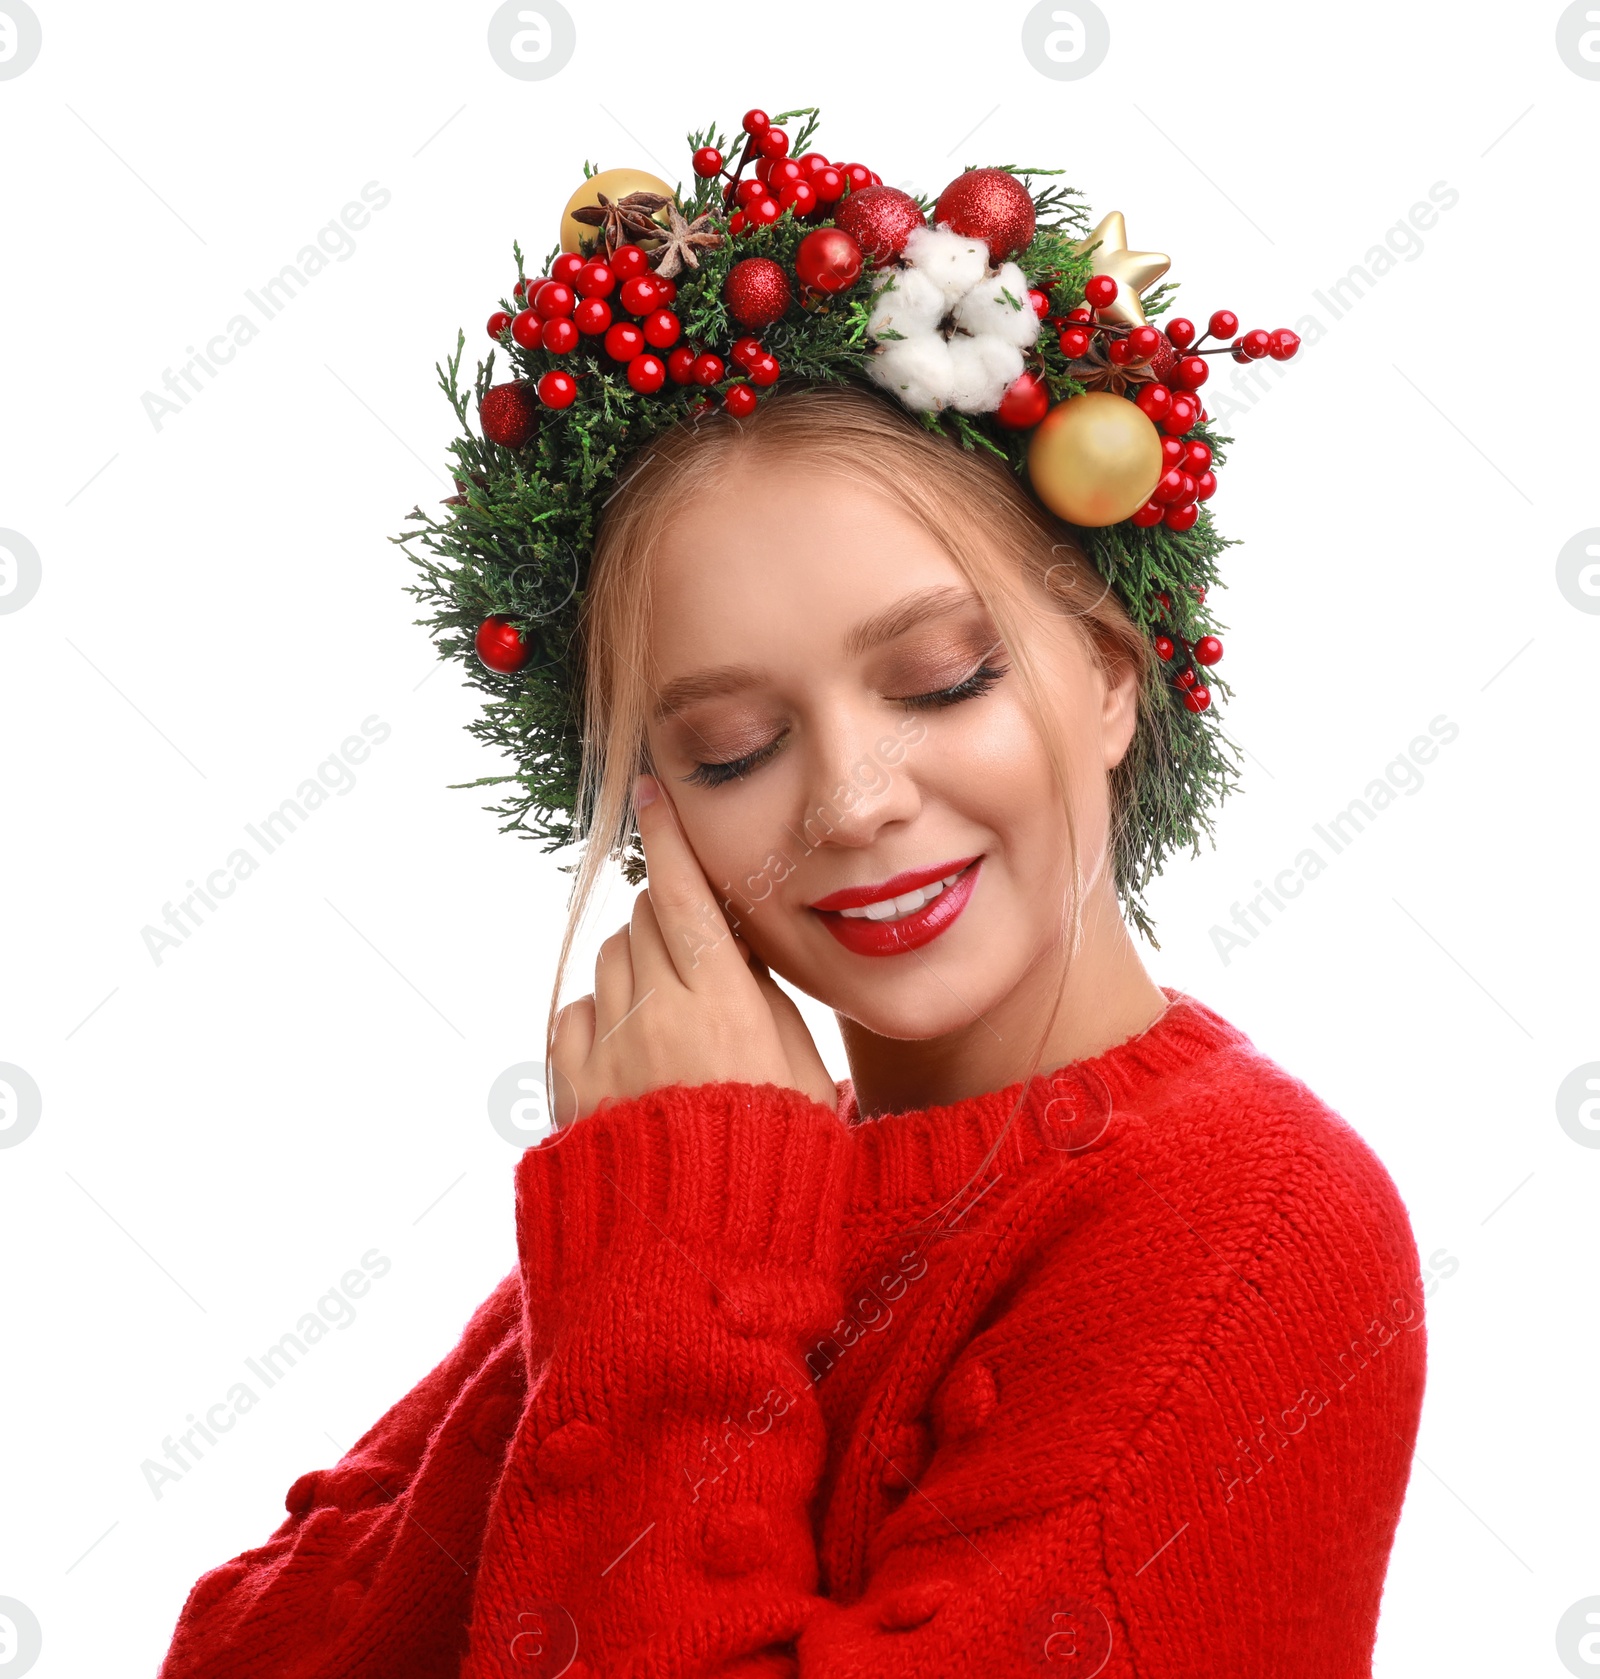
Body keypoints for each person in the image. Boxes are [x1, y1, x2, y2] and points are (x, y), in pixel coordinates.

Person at [157, 115, 1424, 1679]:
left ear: (1106, 677)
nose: (850, 798)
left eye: (944, 680)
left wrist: (682, 1236)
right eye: (735, 748)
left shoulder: (1256, 1226)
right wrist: (659, 1219)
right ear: (655, 816)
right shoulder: (725, 1174)